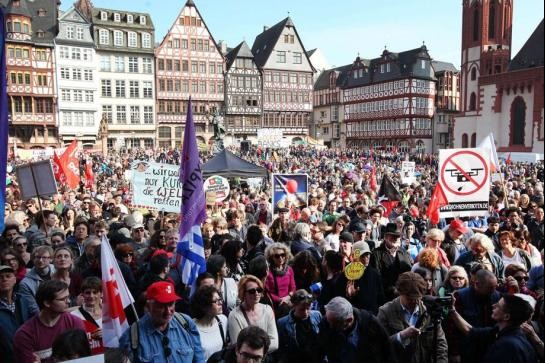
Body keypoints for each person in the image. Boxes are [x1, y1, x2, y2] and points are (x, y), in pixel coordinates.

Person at [119, 281, 205, 363]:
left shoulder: (186, 323)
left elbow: (199, 358)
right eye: (161, 306)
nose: (168, 311)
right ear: (148, 307)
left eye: (171, 304)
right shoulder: (132, 336)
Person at [378, 272, 448, 363]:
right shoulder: (386, 312)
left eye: (417, 298)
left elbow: (440, 343)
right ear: (400, 293)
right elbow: (378, 345)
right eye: (410, 298)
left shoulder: (429, 310)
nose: (414, 301)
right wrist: (401, 336)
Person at [449, 293, 539, 363]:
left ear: (506, 317)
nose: (493, 306)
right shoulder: (501, 332)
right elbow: (470, 331)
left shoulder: (507, 346)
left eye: (498, 306)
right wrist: (452, 310)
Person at [13, 280, 86, 363]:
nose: (69, 301)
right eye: (63, 299)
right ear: (47, 303)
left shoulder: (75, 323)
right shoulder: (25, 334)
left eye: (68, 297)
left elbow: (82, 359)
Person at [318, 296, 392, 363]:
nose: (330, 326)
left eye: (335, 324)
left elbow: (388, 350)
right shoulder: (327, 322)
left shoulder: (371, 324)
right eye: (329, 321)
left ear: (349, 320)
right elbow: (318, 350)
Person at [227, 275, 278, 352]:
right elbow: (238, 346)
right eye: (252, 291)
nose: (256, 293)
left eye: (259, 290)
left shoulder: (267, 310)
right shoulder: (234, 315)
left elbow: (275, 343)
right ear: (243, 293)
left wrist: (255, 352)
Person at [277, 289, 323, 363]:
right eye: (302, 309)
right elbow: (281, 348)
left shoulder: (317, 315)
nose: (306, 312)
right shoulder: (283, 323)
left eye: (308, 308)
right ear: (294, 306)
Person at [0, 265, 34, 362]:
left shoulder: (23, 300)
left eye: (8, 276)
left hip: (27, 353)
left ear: (15, 279)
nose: (4, 279)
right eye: (0, 277)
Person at [370, 223, 413, 301]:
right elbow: (376, 277)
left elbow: (409, 272)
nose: (396, 238)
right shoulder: (376, 254)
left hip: (403, 297)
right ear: (386, 237)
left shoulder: (404, 252)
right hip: (385, 298)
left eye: (398, 236)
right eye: (393, 236)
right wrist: (392, 289)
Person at [191, 285, 229, 361]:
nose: (220, 303)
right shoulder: (192, 328)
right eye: (216, 301)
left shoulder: (223, 320)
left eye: (220, 299)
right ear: (204, 306)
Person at [70, 276, 104, 355]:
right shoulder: (73, 316)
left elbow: (121, 334)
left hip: (110, 356)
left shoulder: (110, 313)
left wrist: (107, 334)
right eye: (88, 293)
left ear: (101, 293)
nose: (91, 296)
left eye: (95, 292)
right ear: (82, 294)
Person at [18, 245, 55, 315]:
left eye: (44, 257)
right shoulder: (25, 283)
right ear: (32, 259)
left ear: (51, 259)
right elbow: (33, 309)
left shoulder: (56, 271)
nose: (40, 260)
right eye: (37, 257)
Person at [264, 243, 296, 317]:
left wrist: (289, 297)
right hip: (275, 306)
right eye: (277, 256)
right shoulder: (268, 272)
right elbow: (268, 292)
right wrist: (281, 300)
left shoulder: (289, 269)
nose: (280, 258)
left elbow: (293, 287)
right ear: (271, 257)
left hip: (289, 302)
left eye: (283, 255)